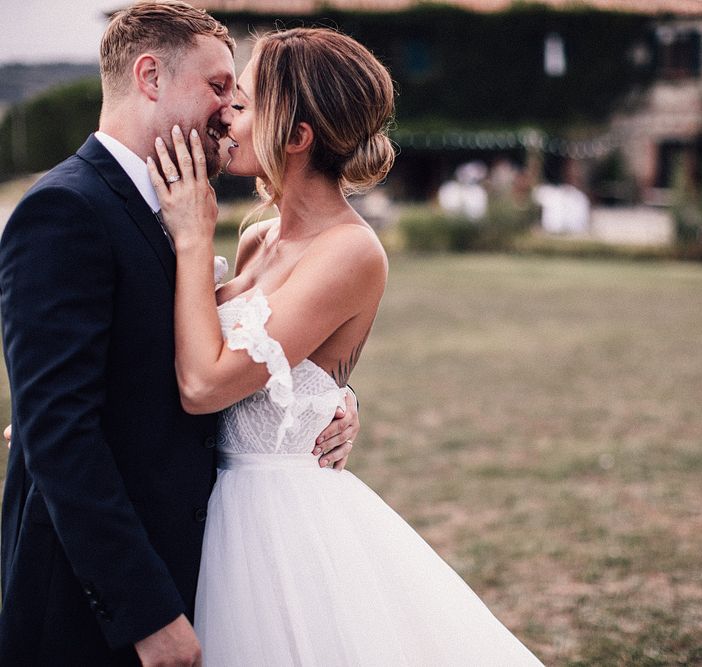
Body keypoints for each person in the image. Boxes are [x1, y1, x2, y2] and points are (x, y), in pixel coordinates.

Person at [148, 27, 543, 665]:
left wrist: (194, 240)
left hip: (276, 528)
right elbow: (275, 369)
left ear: (298, 137)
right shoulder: (258, 239)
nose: (225, 114)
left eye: (243, 104)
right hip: (202, 505)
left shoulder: (352, 252)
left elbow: (204, 386)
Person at [0, 4, 358, 665]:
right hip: (90, 603)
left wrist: (323, 401)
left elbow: (222, 348)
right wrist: (147, 613)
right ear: (150, 77)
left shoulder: (175, 204)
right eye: (219, 87)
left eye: (236, 95)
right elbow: (58, 430)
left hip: (200, 557)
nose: (228, 112)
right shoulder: (65, 209)